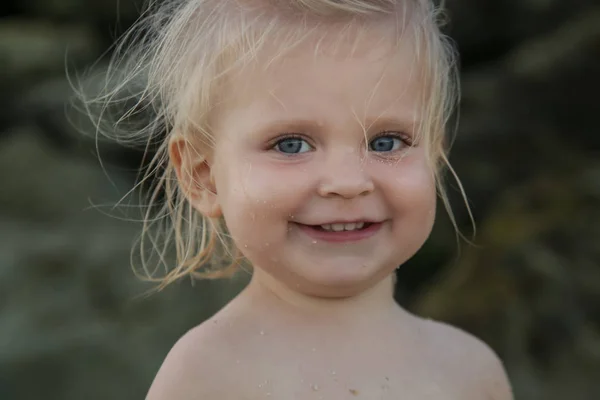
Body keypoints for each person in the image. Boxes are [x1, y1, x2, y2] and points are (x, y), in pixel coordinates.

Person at [88, 0, 514, 398]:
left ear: (434, 157)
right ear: (204, 176)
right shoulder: (207, 377)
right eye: (291, 144)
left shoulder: (471, 373)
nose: (348, 183)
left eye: (387, 142)